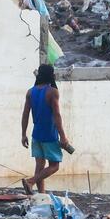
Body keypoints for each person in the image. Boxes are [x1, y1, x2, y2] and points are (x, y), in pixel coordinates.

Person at [20, 64, 70, 194]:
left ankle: (41, 196)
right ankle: (30, 182)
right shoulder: (52, 92)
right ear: (51, 75)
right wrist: (63, 137)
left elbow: (25, 114)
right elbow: (57, 115)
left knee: (40, 167)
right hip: (49, 135)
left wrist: (23, 134)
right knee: (54, 166)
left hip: (36, 135)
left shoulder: (30, 92)